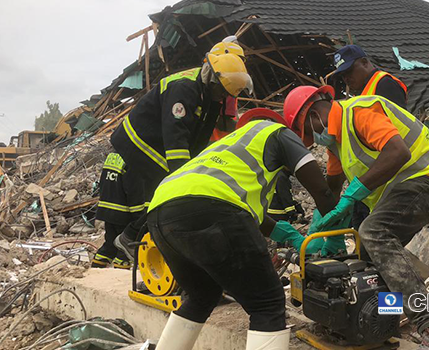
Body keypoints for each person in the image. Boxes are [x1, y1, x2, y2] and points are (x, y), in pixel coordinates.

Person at [282, 85, 429, 350]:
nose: (314, 138)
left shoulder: (359, 111)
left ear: (312, 116)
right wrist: (321, 230)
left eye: (309, 132)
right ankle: (379, 324)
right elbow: (331, 189)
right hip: (406, 188)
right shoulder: (336, 144)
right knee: (367, 258)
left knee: (374, 232)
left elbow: (398, 152)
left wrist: (353, 194)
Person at [146, 111, 339, 349]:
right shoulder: (280, 133)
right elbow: (323, 191)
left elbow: (239, 208)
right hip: (212, 207)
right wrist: (336, 236)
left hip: (160, 210)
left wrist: (287, 235)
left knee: (201, 296)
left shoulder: (226, 149)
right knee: (267, 303)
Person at [110, 52, 253, 260]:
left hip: (158, 141)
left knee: (170, 193)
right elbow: (175, 134)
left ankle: (143, 238)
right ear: (212, 79)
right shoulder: (183, 88)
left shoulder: (211, 93)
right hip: (139, 140)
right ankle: (131, 238)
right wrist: (182, 176)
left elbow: (200, 135)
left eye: (226, 94)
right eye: (221, 92)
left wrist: (197, 167)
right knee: (169, 192)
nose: (223, 97)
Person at [332, 44, 409, 230]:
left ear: (365, 62)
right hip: (373, 180)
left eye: (350, 71)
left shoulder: (384, 84)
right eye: (343, 75)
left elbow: (396, 135)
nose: (347, 78)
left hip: (389, 174)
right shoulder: (363, 94)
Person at [91, 152, 144, 269]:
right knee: (125, 247)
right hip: (123, 212)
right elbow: (134, 190)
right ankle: (120, 271)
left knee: (110, 244)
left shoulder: (113, 155)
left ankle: (96, 267)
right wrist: (139, 215)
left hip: (107, 209)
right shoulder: (132, 158)